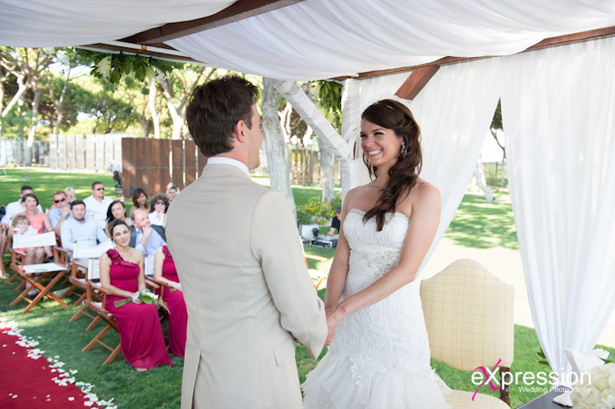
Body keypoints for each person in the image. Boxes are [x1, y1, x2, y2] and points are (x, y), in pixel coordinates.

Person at [166, 75, 328, 409]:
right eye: (259, 124)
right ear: (241, 130)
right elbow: (299, 310)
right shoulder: (263, 204)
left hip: (200, 381)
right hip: (256, 383)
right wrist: (320, 328)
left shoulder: (179, 205)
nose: (260, 134)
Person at [302, 99, 451, 409]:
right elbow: (342, 259)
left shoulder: (425, 195)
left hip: (392, 325)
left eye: (378, 133)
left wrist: (343, 310)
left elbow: (407, 271)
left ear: (403, 138)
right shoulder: (354, 195)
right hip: (350, 329)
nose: (368, 143)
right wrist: (329, 313)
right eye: (364, 135)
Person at [99, 219, 172, 371]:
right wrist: (131, 295)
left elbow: (141, 282)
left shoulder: (138, 254)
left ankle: (153, 355)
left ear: (130, 232)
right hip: (116, 298)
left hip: (135, 295)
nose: (123, 237)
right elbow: (106, 287)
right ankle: (138, 356)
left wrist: (141, 294)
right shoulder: (106, 257)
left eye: (125, 232)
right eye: (118, 234)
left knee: (150, 309)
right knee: (137, 312)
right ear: (112, 237)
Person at [153, 245, 186, 357]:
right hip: (166, 287)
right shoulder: (161, 251)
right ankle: (182, 346)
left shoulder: (189, 249)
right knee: (181, 300)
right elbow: (157, 277)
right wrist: (176, 285)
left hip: (187, 286)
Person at [12, 193, 54, 263]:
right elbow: (11, 233)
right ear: (23, 204)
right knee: (31, 249)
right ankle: (29, 272)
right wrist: (20, 231)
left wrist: (48, 238)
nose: (32, 203)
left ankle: (37, 273)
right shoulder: (19, 216)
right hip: (24, 243)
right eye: (29, 201)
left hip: (38, 242)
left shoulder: (42, 215)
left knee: (40, 251)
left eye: (34, 201)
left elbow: (50, 231)